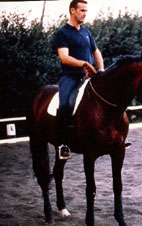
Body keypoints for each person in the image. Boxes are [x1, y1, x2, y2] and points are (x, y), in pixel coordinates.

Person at [54, 0, 104, 159]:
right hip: (70, 77)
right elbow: (64, 57)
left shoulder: (86, 32)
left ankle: (114, 138)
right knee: (65, 104)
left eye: (86, 11)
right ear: (72, 10)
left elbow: (96, 52)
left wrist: (101, 70)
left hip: (89, 77)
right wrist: (83, 64)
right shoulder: (62, 33)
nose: (84, 14)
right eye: (81, 10)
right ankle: (63, 144)